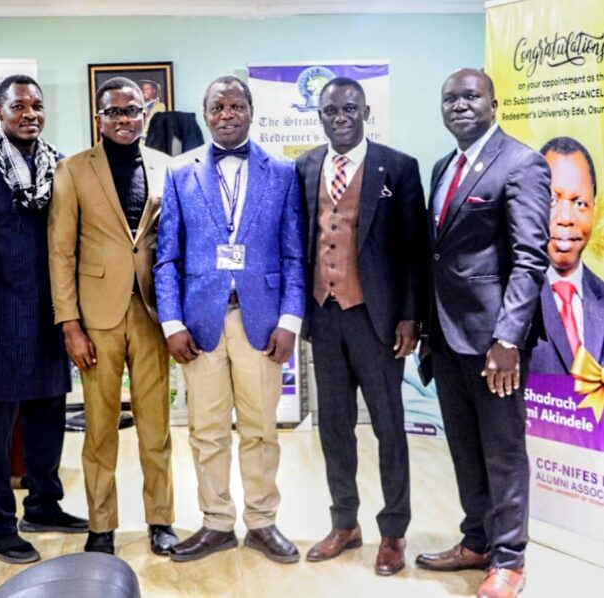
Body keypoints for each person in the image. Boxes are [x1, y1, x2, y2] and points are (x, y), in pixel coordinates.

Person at [154, 75, 306, 564]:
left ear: (251, 111)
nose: (227, 115)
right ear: (205, 115)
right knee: (207, 430)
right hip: (200, 324)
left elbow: (294, 255)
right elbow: (166, 258)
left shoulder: (282, 172)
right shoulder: (180, 173)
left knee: (261, 428)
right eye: (217, 107)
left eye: (236, 106)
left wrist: (290, 320)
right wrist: (172, 324)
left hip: (262, 322)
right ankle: (216, 522)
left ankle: (262, 521)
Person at [416, 69, 550, 598]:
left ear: (494, 104)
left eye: (471, 96)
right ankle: (477, 541)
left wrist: (509, 340)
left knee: (502, 451)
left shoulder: (521, 163)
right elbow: (439, 255)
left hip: (495, 343)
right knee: (465, 448)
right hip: (447, 338)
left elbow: (529, 259)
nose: (460, 105)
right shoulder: (443, 167)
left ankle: (510, 559)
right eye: (450, 98)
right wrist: (426, 328)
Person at [0, 75, 87, 565]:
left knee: (50, 414)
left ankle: (44, 506)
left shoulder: (59, 164)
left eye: (37, 105)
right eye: (18, 106)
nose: (30, 114)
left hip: (51, 313)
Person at [295, 77, 429, 575]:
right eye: (331, 110)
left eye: (350, 109)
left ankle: (393, 531)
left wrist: (410, 316)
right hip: (324, 317)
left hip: (378, 320)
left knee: (389, 427)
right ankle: (344, 523)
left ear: (366, 111)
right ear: (320, 116)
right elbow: (300, 242)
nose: (341, 117)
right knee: (334, 426)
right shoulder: (306, 167)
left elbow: (415, 249)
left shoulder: (399, 166)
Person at [49, 77, 178, 556]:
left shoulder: (166, 167)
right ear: (99, 119)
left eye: (133, 110)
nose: (125, 119)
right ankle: (101, 525)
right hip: (96, 318)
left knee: (156, 428)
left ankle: (161, 520)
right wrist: (70, 325)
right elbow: (61, 252)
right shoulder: (73, 170)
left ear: (145, 114)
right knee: (100, 430)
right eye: (115, 112)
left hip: (151, 313)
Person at [531, 137, 603, 374]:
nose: (565, 218)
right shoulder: (507, 297)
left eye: (580, 203)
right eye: (552, 200)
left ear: (594, 208)